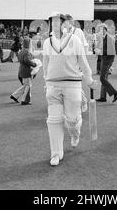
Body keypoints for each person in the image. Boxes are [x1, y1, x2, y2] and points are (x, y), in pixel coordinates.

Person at [42, 13, 97, 167]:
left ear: (65, 24)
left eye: (58, 22)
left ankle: (75, 133)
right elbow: (46, 64)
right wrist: (46, 81)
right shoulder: (47, 42)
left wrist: (90, 80)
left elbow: (83, 63)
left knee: (72, 121)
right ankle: (56, 153)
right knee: (53, 120)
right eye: (52, 22)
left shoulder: (75, 40)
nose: (55, 25)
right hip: (53, 86)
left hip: (72, 85)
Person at [95, 24, 117, 104]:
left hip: (107, 60)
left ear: (105, 30)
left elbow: (112, 51)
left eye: (102, 29)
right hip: (104, 59)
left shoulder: (109, 38)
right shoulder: (103, 38)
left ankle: (115, 93)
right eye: (99, 30)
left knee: (102, 78)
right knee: (104, 78)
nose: (100, 31)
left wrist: (101, 52)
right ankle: (103, 97)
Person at [10, 38, 37, 105]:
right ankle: (24, 100)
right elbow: (26, 60)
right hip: (26, 71)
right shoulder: (27, 52)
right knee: (28, 85)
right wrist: (33, 64)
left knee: (25, 85)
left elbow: (22, 60)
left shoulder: (21, 51)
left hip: (22, 70)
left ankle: (15, 96)